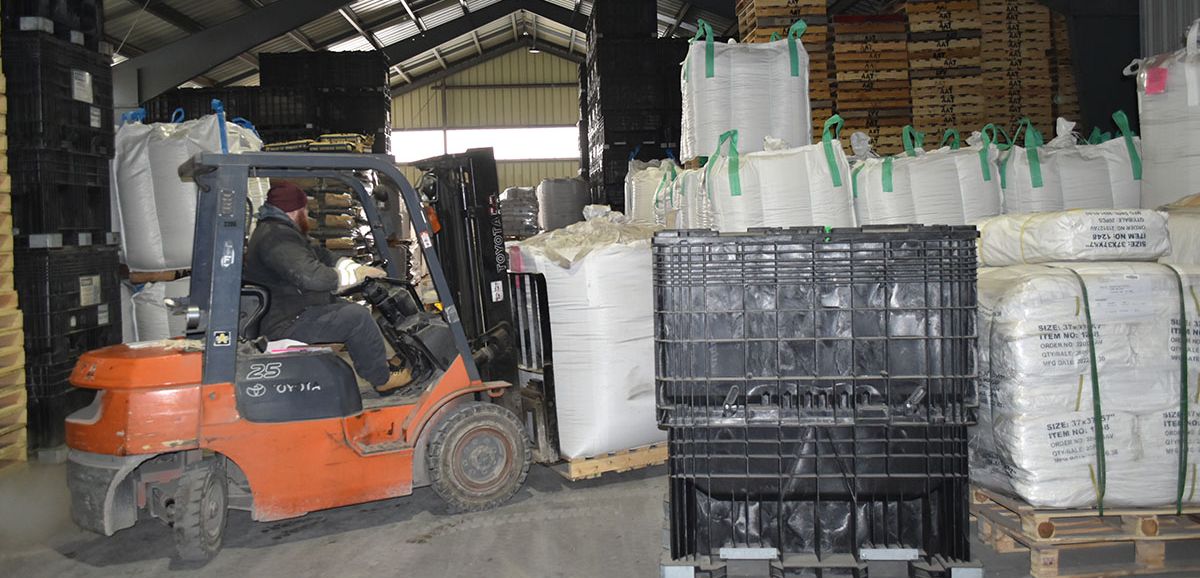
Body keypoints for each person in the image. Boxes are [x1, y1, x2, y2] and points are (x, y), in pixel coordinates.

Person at [243, 181, 412, 394]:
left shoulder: (279, 229)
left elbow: (320, 255)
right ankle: (381, 379)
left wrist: (353, 267)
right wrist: (350, 277)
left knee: (341, 305)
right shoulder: (277, 238)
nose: (307, 215)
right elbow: (310, 277)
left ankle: (386, 360)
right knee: (356, 317)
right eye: (305, 210)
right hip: (284, 322)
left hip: (289, 309)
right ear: (296, 211)